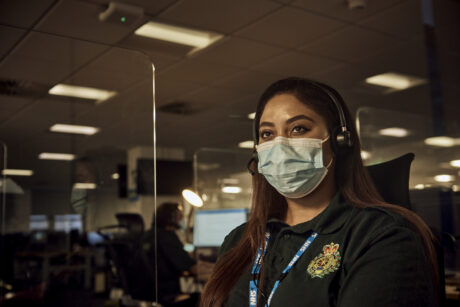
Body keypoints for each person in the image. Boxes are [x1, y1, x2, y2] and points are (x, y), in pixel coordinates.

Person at [200, 77, 438, 306]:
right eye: (267, 134)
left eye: (298, 129)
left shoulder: (381, 235)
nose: (279, 146)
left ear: (339, 140)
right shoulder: (240, 240)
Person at [144, 202, 213, 306]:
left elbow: (188, 263)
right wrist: (220, 268)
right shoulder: (167, 237)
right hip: (167, 295)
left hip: (151, 293)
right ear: (170, 218)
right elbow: (192, 268)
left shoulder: (148, 235)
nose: (182, 219)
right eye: (180, 216)